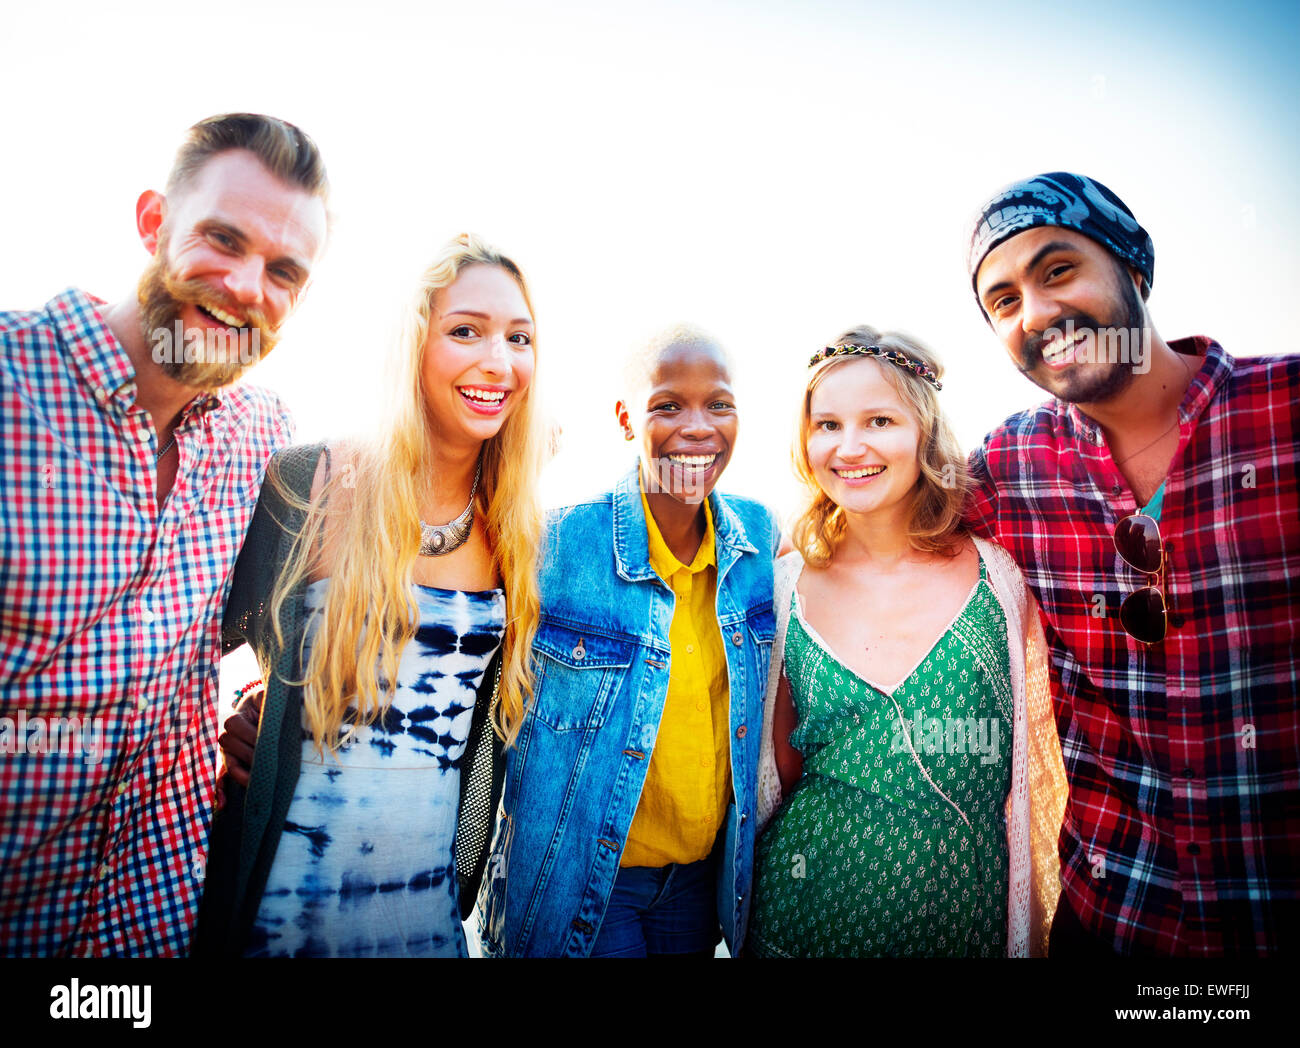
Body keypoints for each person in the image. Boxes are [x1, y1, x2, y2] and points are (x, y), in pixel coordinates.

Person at [0, 113, 329, 957]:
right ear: (154, 222)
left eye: (284, 270)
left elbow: (265, 613)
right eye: (223, 238)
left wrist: (270, 706)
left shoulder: (261, 435)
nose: (249, 285)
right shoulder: (11, 385)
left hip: (151, 931)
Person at [966, 171, 1300, 955]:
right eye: (1004, 301)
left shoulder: (1285, 411)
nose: (1038, 313)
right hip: (1114, 917)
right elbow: (879, 533)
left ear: (1134, 266)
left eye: (1058, 270)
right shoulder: (1012, 465)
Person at [197, 234, 546, 957]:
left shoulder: (517, 527)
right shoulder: (311, 482)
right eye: (466, 332)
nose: (499, 361)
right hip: (279, 924)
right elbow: (181, 648)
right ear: (413, 343)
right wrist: (227, 731)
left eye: (519, 337)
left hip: (425, 926)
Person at [746, 327, 1067, 958]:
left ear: (923, 429)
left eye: (878, 420)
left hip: (960, 919)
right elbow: (777, 773)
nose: (849, 446)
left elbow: (1039, 764)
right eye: (827, 424)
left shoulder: (999, 579)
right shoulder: (785, 585)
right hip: (801, 919)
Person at [477, 325, 780, 958]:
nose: (697, 427)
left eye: (718, 404)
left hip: (702, 882)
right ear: (624, 419)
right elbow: (456, 645)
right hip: (584, 878)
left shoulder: (758, 538)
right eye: (667, 405)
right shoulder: (554, 547)